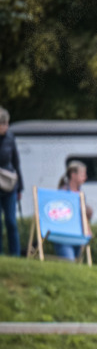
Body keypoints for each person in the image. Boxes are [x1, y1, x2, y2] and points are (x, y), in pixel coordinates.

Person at [53, 160, 93, 260]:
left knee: (75, 263)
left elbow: (82, 215)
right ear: (73, 175)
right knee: (70, 262)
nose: (85, 177)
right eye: (82, 175)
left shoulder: (80, 194)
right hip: (64, 237)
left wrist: (87, 229)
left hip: (77, 236)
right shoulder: (62, 193)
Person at [0, 106, 23, 256]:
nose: (6, 127)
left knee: (11, 222)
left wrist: (20, 187)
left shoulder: (10, 137)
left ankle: (16, 254)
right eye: (3, 124)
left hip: (9, 185)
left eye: (7, 123)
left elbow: (16, 162)